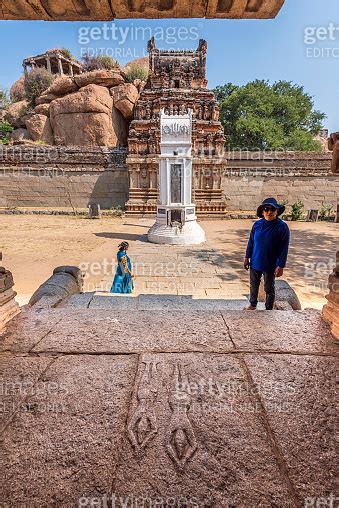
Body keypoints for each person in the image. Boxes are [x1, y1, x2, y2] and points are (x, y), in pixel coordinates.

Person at [244, 198, 290, 311]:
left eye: (272, 209)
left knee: (269, 287)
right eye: (266, 209)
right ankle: (252, 304)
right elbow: (251, 242)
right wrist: (246, 257)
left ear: (277, 211)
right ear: (263, 211)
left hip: (270, 263)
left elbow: (284, 248)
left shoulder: (282, 227)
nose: (269, 212)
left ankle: (268, 308)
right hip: (255, 261)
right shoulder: (257, 225)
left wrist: (281, 265)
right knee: (253, 285)